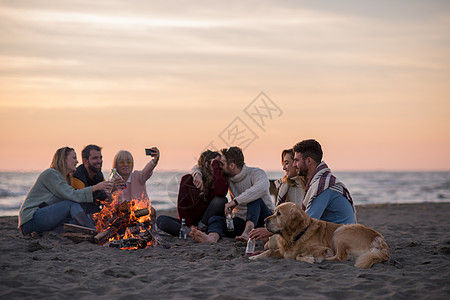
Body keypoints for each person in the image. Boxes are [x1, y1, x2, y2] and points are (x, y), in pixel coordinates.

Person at [18, 147, 112, 235]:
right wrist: (95, 187)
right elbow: (72, 195)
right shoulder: (51, 174)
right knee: (70, 204)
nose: (77, 161)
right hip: (30, 220)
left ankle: (99, 229)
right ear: (64, 159)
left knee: (73, 221)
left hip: (41, 219)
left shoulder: (64, 178)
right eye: (74, 158)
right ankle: (93, 231)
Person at [190, 146, 275, 243]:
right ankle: (211, 238)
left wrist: (235, 202)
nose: (219, 166)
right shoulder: (228, 176)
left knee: (254, 199)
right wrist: (197, 174)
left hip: (264, 220)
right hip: (241, 221)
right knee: (215, 220)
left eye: (221, 163)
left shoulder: (256, 173)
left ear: (232, 166)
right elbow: (196, 167)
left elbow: (261, 188)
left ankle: (247, 233)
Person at [156, 150, 228, 236]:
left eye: (219, 163)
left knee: (221, 200)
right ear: (206, 164)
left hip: (207, 222)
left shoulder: (218, 180)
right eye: (216, 163)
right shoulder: (188, 180)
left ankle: (199, 230)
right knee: (161, 220)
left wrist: (216, 170)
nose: (219, 166)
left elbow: (221, 194)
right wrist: (190, 225)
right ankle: (192, 232)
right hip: (191, 224)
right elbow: (182, 206)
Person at [249, 148, 307, 247]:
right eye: (283, 164)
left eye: (287, 163)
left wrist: (270, 231)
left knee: (268, 244)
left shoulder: (307, 186)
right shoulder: (285, 185)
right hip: (286, 225)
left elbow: (301, 221)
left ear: (296, 163)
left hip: (299, 229)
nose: (284, 168)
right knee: (264, 239)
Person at [292, 139, 356, 224]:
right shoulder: (322, 181)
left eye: (296, 160)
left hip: (340, 235)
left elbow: (307, 223)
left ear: (308, 161)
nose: (294, 165)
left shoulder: (323, 186)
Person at [111, 148, 159, 219]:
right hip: (124, 215)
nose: (126, 164)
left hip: (141, 212)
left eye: (129, 162)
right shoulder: (114, 181)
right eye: (122, 162)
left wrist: (154, 161)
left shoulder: (138, 176)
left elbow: (147, 170)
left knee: (152, 210)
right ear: (116, 165)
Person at [72, 144, 109, 215]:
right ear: (85, 161)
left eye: (100, 158)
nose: (99, 161)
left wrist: (114, 188)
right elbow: (82, 199)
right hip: (80, 216)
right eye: (95, 158)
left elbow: (105, 196)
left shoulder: (99, 174)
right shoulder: (77, 176)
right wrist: (97, 188)